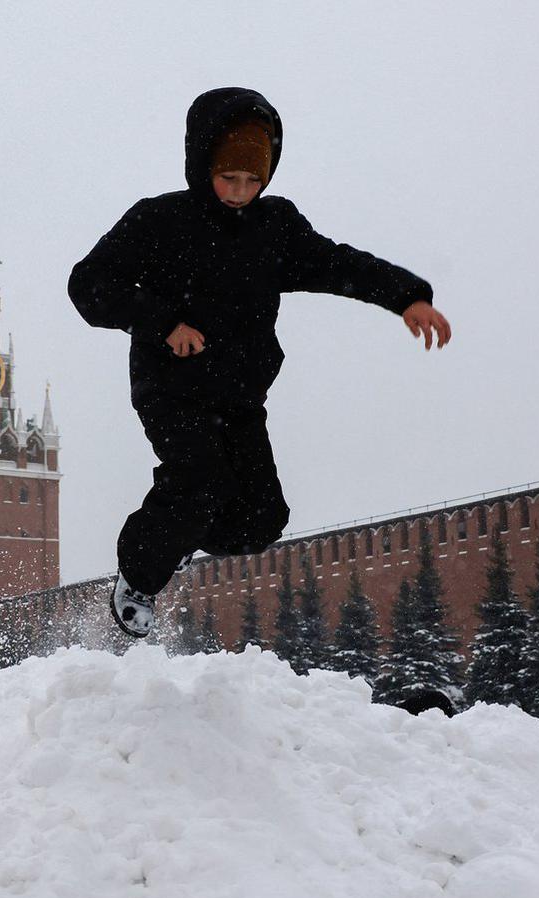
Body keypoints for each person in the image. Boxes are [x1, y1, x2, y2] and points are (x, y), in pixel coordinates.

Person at [69, 87, 451, 637]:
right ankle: (138, 576)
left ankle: (176, 538)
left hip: (239, 398)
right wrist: (162, 323)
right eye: (228, 177)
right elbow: (88, 285)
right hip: (172, 389)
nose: (239, 192)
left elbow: (338, 264)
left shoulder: (275, 229)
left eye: (253, 180)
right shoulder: (159, 222)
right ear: (202, 163)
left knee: (261, 518)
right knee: (196, 485)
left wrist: (406, 296)